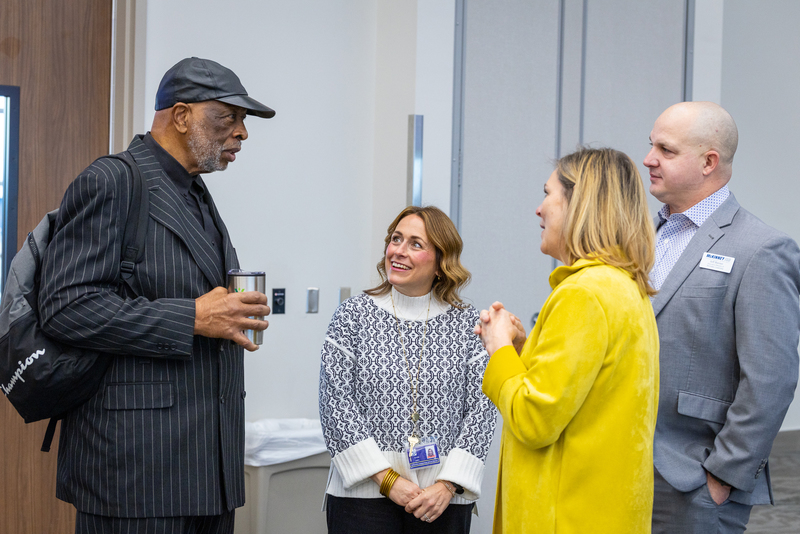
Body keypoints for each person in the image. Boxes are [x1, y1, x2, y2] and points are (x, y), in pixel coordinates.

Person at [38, 57, 274, 534]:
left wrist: (226, 314)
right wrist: (191, 317)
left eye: (243, 121)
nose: (241, 133)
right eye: (227, 118)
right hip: (136, 472)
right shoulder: (111, 181)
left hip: (208, 469)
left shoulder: (195, 191)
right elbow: (66, 307)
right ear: (182, 116)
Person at [476, 148, 660, 533]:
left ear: (580, 205)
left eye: (547, 194)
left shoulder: (584, 293)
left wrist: (501, 350)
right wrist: (526, 353)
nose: (539, 209)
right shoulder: (625, 287)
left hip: (564, 516)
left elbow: (534, 419)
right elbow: (586, 397)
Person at [644, 101, 800, 534]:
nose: (648, 158)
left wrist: (722, 475)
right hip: (624, 466)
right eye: (650, 145)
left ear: (709, 161)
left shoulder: (762, 250)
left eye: (666, 149)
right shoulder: (641, 238)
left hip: (693, 477)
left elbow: (771, 378)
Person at [318, 206, 497, 534]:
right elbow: (336, 407)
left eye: (416, 244)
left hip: (440, 499)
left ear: (442, 262)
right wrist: (388, 480)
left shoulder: (469, 322)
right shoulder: (352, 316)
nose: (398, 251)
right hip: (363, 496)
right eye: (396, 239)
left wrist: (447, 486)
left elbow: (482, 412)